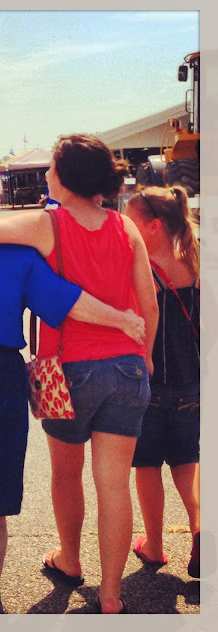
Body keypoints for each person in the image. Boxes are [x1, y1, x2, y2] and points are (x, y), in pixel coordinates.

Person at [0, 136, 159, 614]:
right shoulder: (125, 225)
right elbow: (149, 302)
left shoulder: (49, 222)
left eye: (51, 168)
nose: (45, 175)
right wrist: (143, 356)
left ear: (66, 177)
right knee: (114, 486)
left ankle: (70, 559)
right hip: (127, 366)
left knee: (67, 474)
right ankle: (111, 596)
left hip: (70, 370)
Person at [125, 186, 200, 579]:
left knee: (148, 465)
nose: (124, 227)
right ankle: (201, 529)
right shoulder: (196, 263)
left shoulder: (141, 270)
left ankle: (154, 545)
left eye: (130, 221)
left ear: (153, 227)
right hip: (193, 384)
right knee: (187, 462)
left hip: (151, 382)